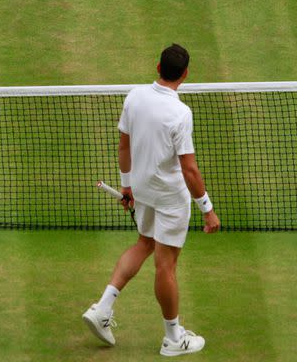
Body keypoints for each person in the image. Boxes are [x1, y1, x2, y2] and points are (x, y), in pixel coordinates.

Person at [82, 44, 221, 357]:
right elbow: (189, 169)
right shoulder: (181, 114)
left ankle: (102, 308)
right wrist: (208, 210)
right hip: (170, 198)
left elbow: (124, 147)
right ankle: (173, 338)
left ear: (158, 67)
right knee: (166, 265)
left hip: (142, 189)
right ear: (185, 75)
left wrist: (127, 187)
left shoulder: (135, 96)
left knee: (144, 243)